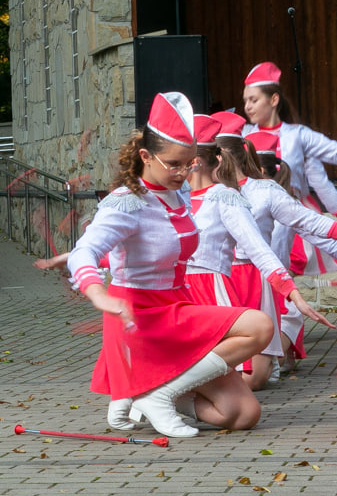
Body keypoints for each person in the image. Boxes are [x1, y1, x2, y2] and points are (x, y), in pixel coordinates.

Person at [65, 92, 274, 438]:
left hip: (177, 307)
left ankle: (156, 394)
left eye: (189, 163)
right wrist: (98, 293)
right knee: (259, 325)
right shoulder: (127, 203)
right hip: (141, 318)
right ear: (145, 156)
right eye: (174, 164)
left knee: (243, 414)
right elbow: (83, 251)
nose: (183, 173)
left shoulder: (176, 195)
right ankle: (160, 393)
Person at [184, 115, 330, 396]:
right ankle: (171, 390)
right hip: (197, 285)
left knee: (250, 380)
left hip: (252, 276)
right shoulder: (178, 196)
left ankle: (182, 388)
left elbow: (300, 229)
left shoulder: (246, 193)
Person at [241, 61, 337, 275]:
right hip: (257, 213)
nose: (247, 107)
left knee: (279, 272)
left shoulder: (297, 135)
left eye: (253, 100)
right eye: (245, 101)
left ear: (274, 99)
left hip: (292, 214)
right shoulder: (243, 135)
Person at [245, 131, 337, 371]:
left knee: (264, 364)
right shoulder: (237, 199)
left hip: (280, 294)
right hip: (247, 286)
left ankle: (277, 356)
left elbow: (322, 237)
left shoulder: (285, 202)